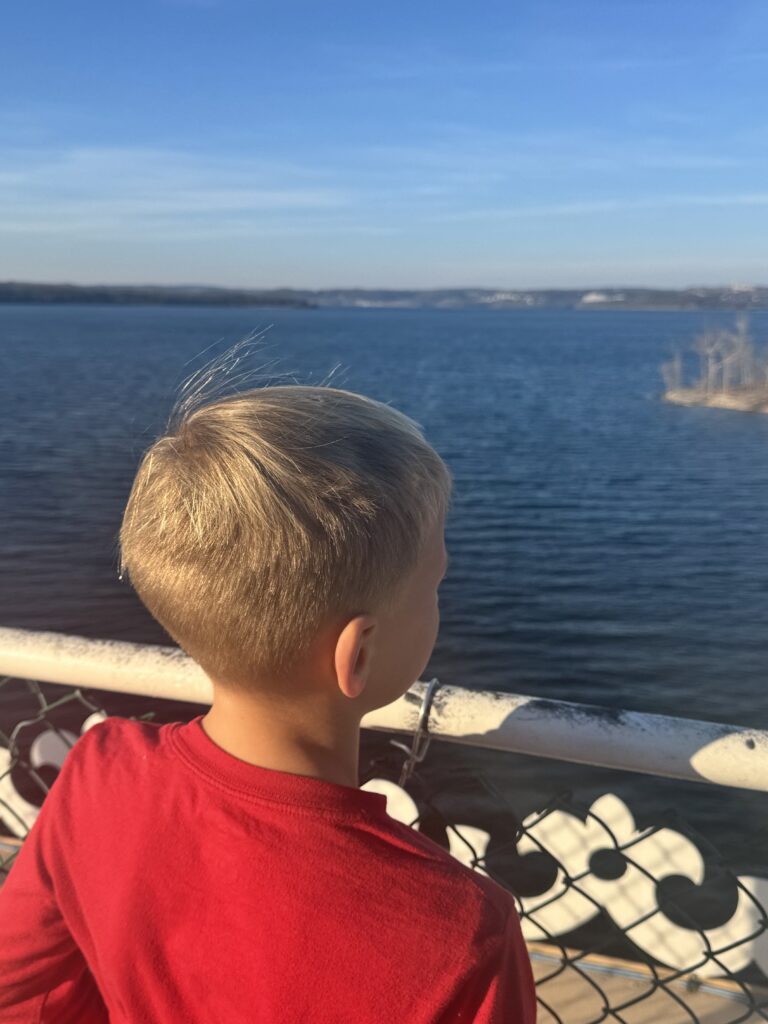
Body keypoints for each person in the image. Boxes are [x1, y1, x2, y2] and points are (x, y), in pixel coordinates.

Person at [0, 373, 536, 1023]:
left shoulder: (98, 770)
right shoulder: (461, 930)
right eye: (435, 582)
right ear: (357, 654)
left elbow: (23, 995)